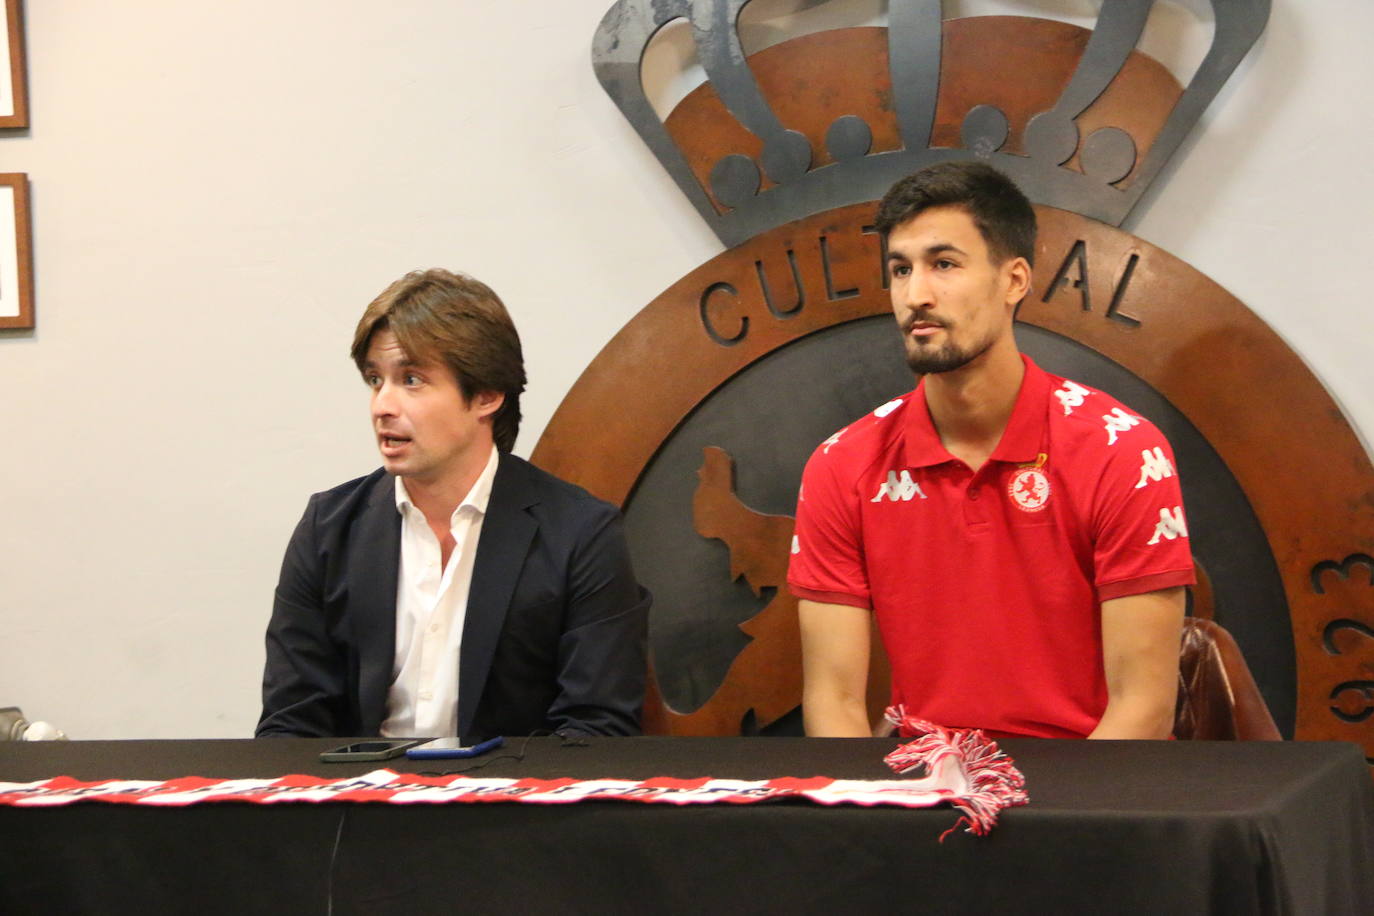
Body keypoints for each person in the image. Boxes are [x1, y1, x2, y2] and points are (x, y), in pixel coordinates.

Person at [788, 162, 1192, 739]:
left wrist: (1048, 829)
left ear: (1015, 280)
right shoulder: (842, 464)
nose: (915, 295)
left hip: (1094, 798)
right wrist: (875, 821)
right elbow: (834, 704)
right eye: (900, 269)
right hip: (922, 799)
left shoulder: (1122, 451)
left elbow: (1143, 710)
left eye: (944, 264)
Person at [257, 269, 649, 740]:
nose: (383, 405)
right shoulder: (329, 528)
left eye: (412, 379)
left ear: (486, 395)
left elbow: (597, 728)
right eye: (375, 380)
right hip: (361, 804)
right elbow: (290, 724)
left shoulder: (580, 533)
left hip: (511, 804)